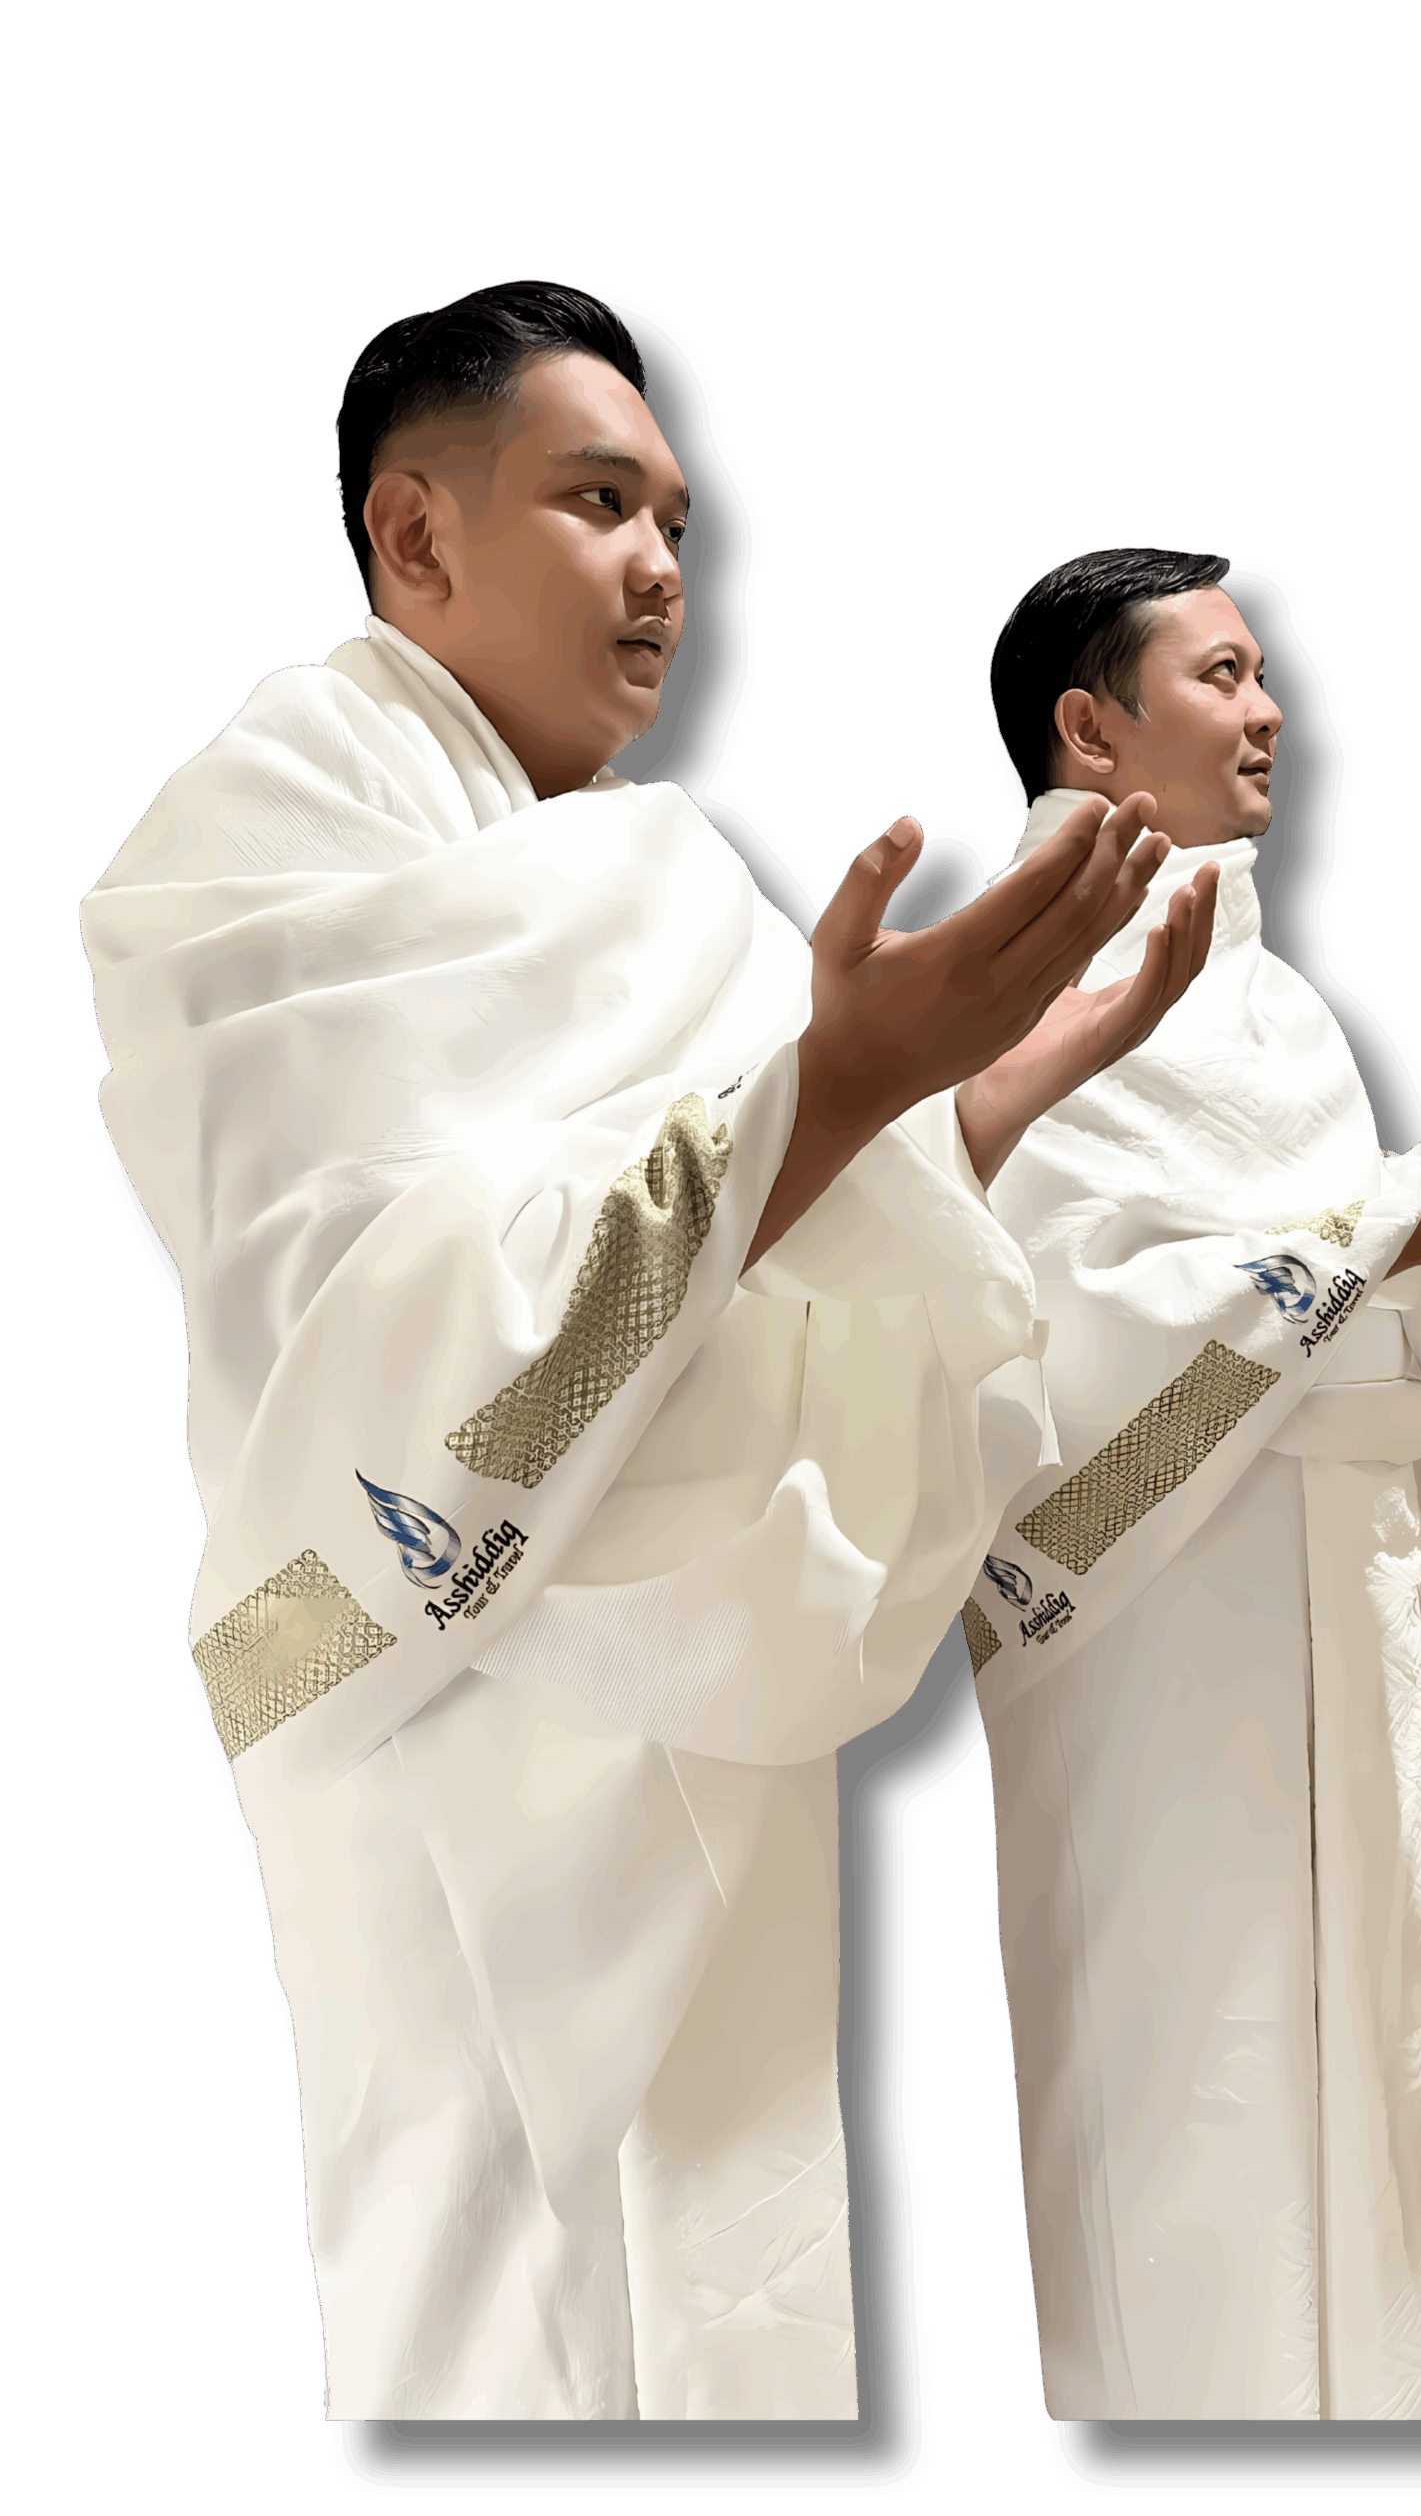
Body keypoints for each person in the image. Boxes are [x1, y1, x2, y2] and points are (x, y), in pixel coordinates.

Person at [78, 295, 1219, 2422]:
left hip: (701, 1701)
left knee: (728, 2297)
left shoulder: (669, 872)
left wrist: (972, 1084)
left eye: (676, 522)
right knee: (504, 2303)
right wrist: (835, 1084)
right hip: (437, 1682)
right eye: (597, 501)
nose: (662, 569)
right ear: (414, 535)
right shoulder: (255, 843)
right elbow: (382, 1319)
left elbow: (784, 1217)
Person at [963, 547, 1421, 2421]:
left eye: (1264, 674)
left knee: (1347, 2043)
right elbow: (1053, 1318)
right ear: (1088, 727)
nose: (1270, 708)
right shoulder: (1043, 976)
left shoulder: (1266, 994)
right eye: (1217, 676)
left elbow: (1335, 1254)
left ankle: (1341, 2432)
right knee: (1188, 2042)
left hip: (1330, 1575)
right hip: (1156, 1611)